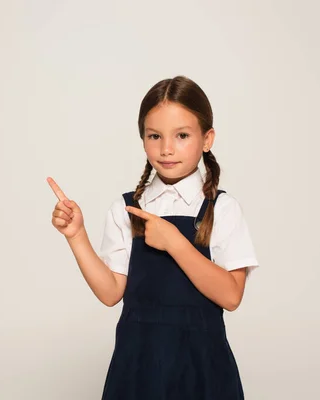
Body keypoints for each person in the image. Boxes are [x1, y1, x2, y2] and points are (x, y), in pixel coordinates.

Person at [47, 75, 259, 399]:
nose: (166, 149)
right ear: (142, 138)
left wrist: (174, 242)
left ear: (207, 138)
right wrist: (76, 236)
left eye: (182, 135)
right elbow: (110, 293)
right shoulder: (127, 208)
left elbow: (231, 296)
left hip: (203, 370)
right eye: (154, 136)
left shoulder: (223, 209)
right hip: (137, 369)